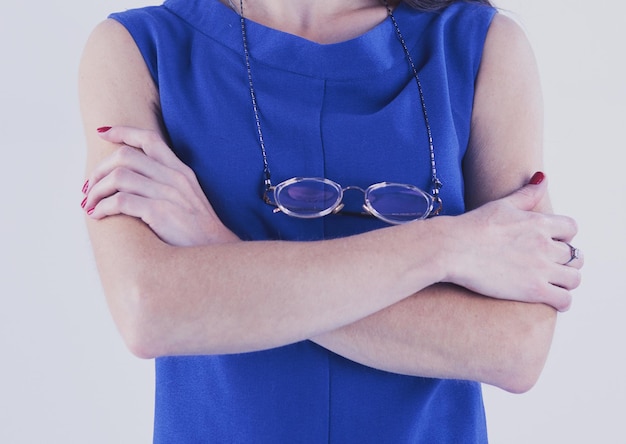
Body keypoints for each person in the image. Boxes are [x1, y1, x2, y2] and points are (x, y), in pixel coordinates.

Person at [79, 0, 584, 441]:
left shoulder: (482, 43)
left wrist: (217, 250)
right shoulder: (135, 48)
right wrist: (450, 245)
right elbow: (150, 312)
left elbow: (516, 348)